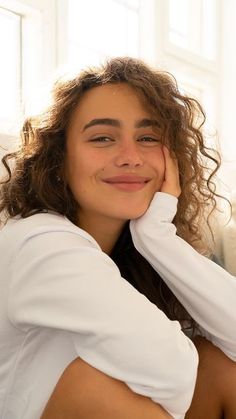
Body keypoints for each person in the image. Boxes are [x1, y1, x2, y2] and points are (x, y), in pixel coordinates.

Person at [0, 56, 235, 419]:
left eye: (147, 137)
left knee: (219, 366)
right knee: (93, 386)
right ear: (59, 158)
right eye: (102, 138)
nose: (129, 157)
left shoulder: (132, 254)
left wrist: (159, 239)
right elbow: (169, 370)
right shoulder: (39, 243)